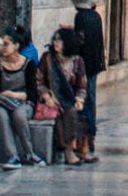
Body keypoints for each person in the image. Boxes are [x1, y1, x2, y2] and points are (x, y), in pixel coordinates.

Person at [0, 26, 44, 170]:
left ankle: (29, 153)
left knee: (19, 115)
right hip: (1, 103)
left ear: (16, 46)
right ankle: (12, 156)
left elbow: (32, 93)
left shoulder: (28, 64)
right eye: (2, 44)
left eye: (6, 44)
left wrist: (12, 95)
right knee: (0, 114)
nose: (3, 48)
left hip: (22, 102)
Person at [37, 29, 90, 166]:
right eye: (55, 40)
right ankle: (67, 150)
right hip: (53, 96)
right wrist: (45, 95)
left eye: (60, 40)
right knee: (68, 113)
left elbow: (82, 84)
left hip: (70, 96)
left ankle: (81, 147)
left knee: (84, 112)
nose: (56, 43)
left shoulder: (76, 60)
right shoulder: (47, 58)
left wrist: (80, 99)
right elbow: (38, 80)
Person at [71, 0, 105, 162]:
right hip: (94, 65)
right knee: (91, 99)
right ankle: (90, 140)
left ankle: (84, 141)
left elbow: (80, 41)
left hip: (83, 66)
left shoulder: (80, 17)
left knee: (83, 102)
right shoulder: (96, 17)